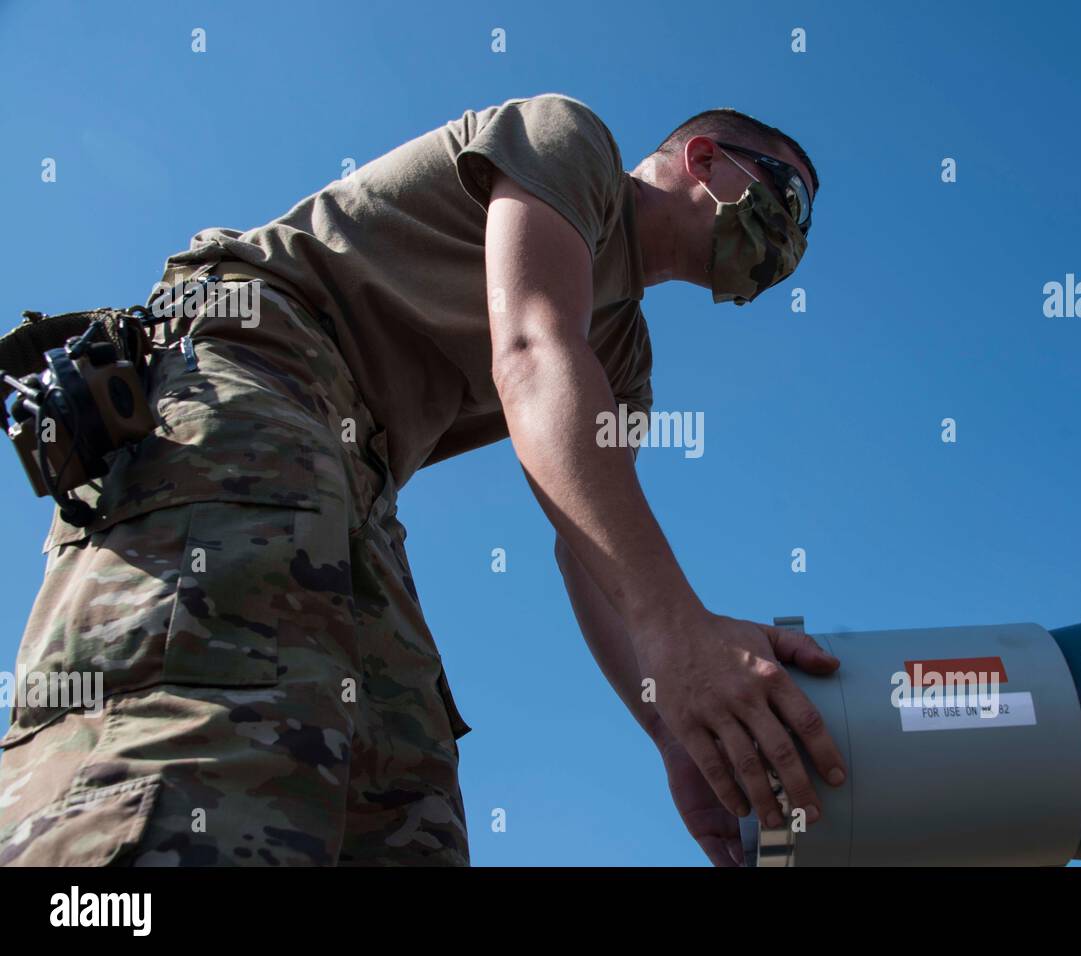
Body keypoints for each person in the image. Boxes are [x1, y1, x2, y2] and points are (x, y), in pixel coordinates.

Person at [0, 93, 844, 867]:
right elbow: (533, 351)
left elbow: (584, 545)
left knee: (406, 800)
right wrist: (684, 633)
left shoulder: (622, 351)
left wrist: (673, 726)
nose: (792, 240)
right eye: (790, 198)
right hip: (253, 374)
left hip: (360, 479)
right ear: (704, 160)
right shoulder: (572, 142)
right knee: (202, 745)